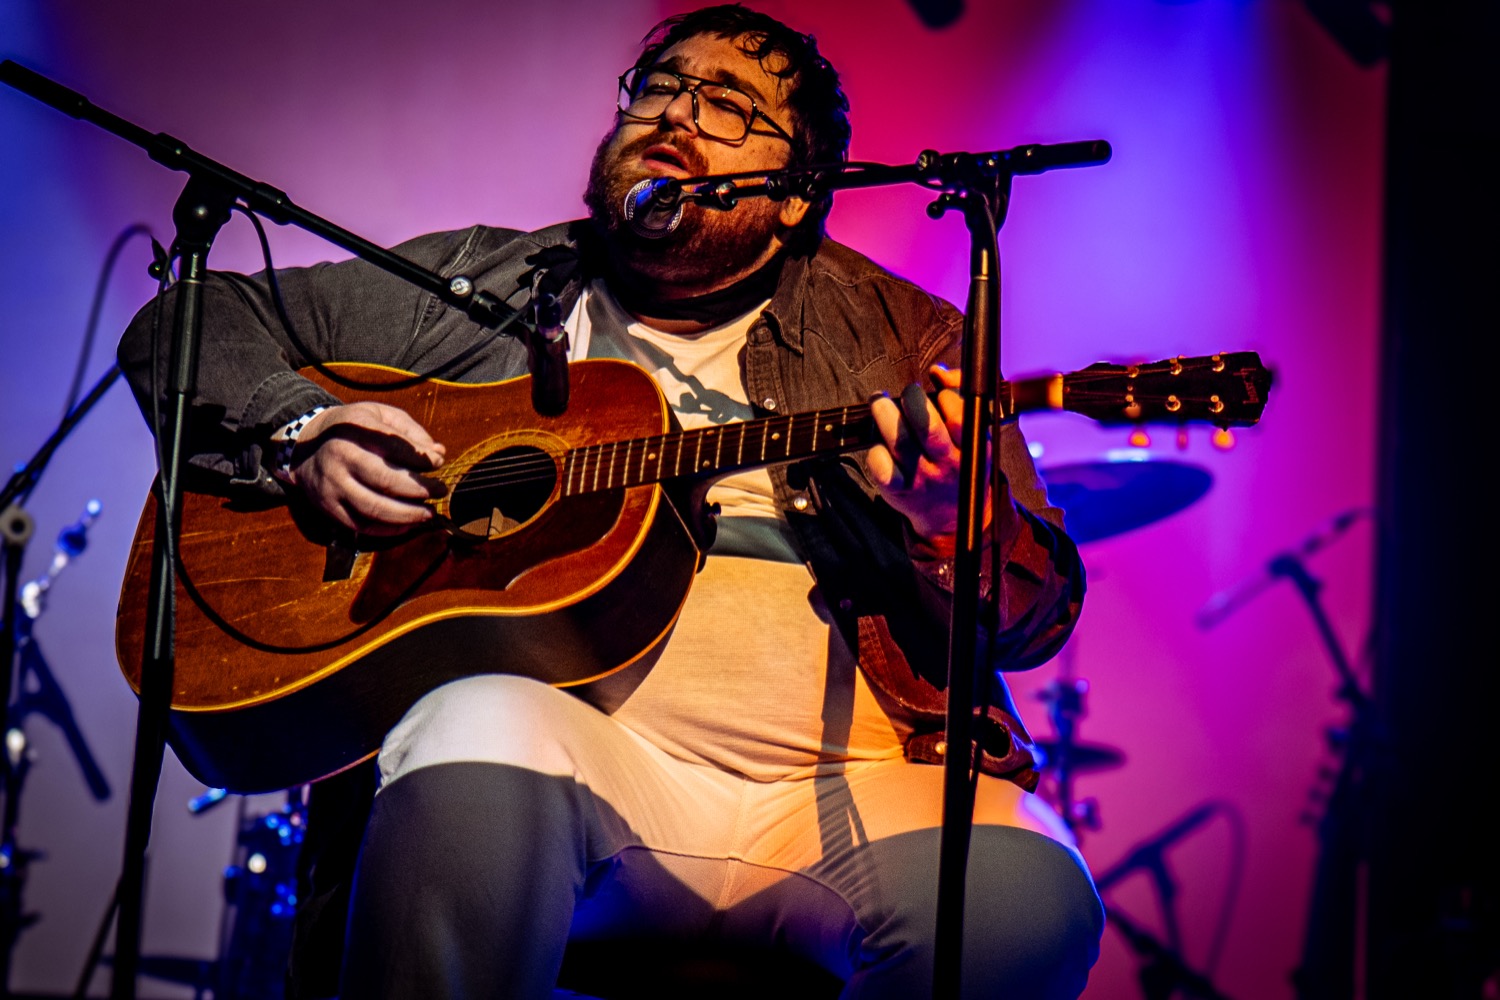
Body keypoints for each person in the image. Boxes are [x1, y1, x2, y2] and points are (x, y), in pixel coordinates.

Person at [118, 5, 1103, 997]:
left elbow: (1038, 617)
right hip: (580, 765)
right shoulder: (480, 282)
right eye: (660, 87)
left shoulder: (905, 336)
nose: (676, 112)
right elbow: (188, 321)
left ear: (797, 195)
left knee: (1028, 903)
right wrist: (300, 429)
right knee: (469, 727)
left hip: (853, 786)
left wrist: (959, 527)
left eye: (727, 105)